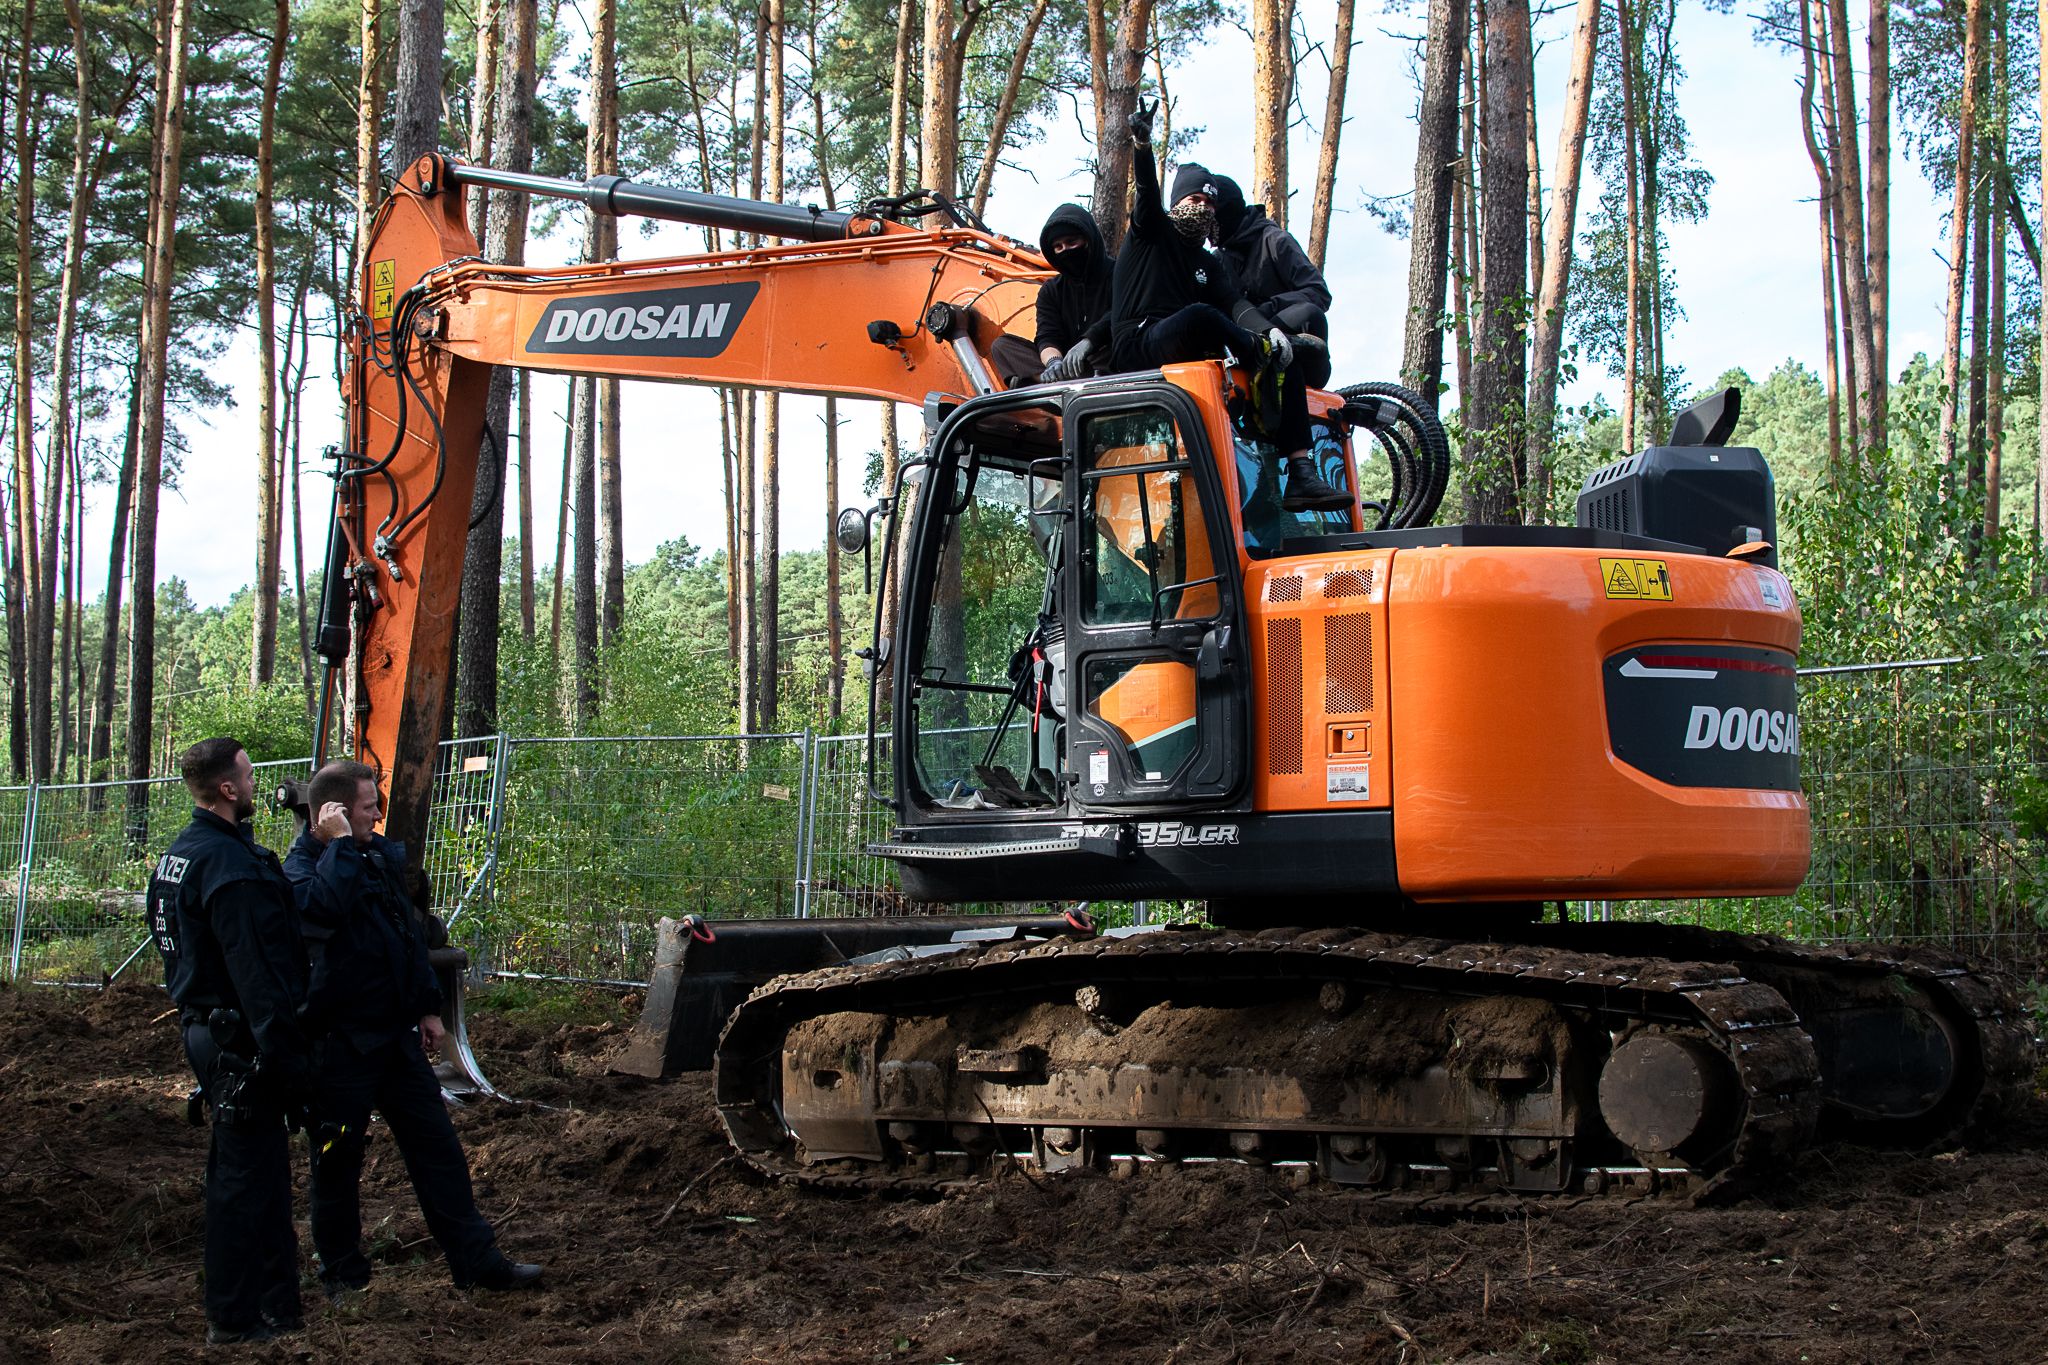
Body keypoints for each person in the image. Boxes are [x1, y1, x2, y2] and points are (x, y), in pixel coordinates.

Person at [284, 759, 542, 1298]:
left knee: (438, 1150)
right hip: (339, 1044)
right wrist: (339, 847)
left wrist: (427, 1007)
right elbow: (323, 910)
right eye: (367, 807)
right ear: (332, 812)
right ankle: (342, 1277)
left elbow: (407, 935)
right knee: (337, 1162)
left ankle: (477, 1264)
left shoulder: (375, 855)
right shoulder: (301, 870)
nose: (378, 816)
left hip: (394, 1039)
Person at [147, 737, 313, 1345]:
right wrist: (287, 1058)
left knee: (260, 1169)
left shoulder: (181, 855)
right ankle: (235, 1316)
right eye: (246, 774)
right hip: (240, 1038)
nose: (253, 783)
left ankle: (278, 1303)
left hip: (207, 1029)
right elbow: (257, 973)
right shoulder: (229, 868)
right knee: (243, 1179)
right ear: (226, 788)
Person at [1108, 100, 1350, 512]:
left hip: (1186, 346)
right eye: (1194, 199)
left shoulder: (1208, 263)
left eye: (1209, 204)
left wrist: (1271, 334)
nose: (1202, 209)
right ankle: (1258, 351)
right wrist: (1143, 147)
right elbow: (1147, 192)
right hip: (1139, 344)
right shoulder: (1152, 232)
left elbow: (1235, 305)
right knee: (1205, 317)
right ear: (1177, 202)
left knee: (1281, 354)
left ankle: (1301, 472)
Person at [1170, 164, 1334, 388]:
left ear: (1224, 214)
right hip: (1241, 343)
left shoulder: (1274, 240)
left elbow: (1319, 292)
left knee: (1310, 314)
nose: (1205, 220)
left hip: (1283, 334)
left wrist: (1263, 311)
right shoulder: (1216, 259)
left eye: (1211, 211)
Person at [990, 204, 1117, 388]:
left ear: (1088, 240)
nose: (1066, 250)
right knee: (1002, 346)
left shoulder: (1118, 273)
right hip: (1066, 365)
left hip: (1101, 359)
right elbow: (1048, 335)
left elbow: (1121, 315)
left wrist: (1087, 343)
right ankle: (1052, 378)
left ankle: (1035, 380)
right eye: (1058, 247)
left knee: (1120, 345)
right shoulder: (1051, 289)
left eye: (1072, 242)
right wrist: (1053, 362)